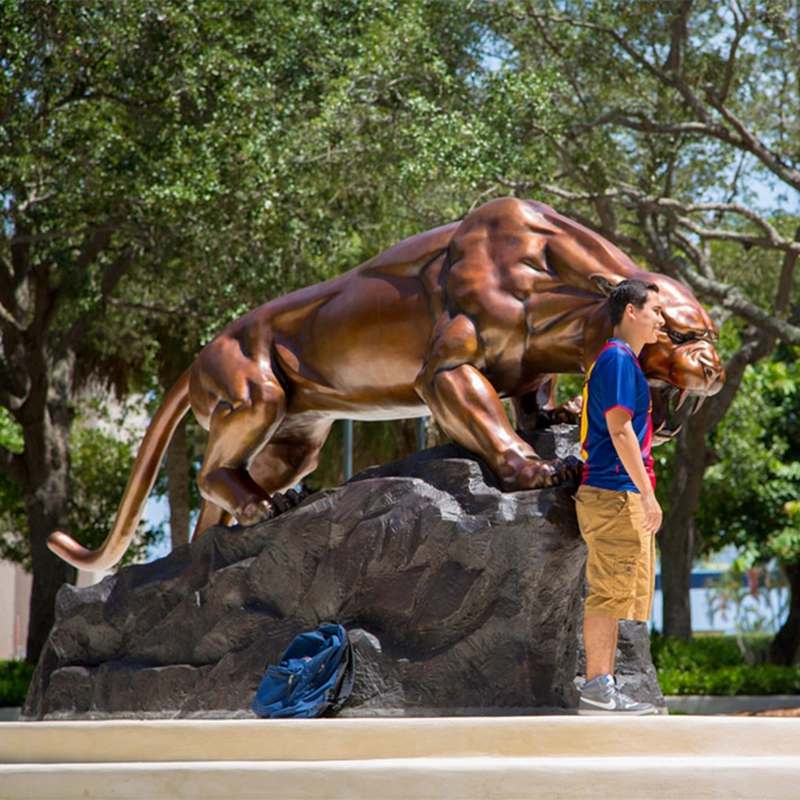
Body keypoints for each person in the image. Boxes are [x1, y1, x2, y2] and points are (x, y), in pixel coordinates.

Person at [575, 279, 665, 715]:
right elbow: (618, 428)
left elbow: (624, 430)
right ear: (631, 311)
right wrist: (648, 495)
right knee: (609, 593)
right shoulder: (617, 358)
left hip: (613, 490)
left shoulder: (619, 361)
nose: (661, 321)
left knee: (614, 593)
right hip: (614, 493)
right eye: (655, 311)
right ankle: (597, 684)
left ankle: (602, 684)